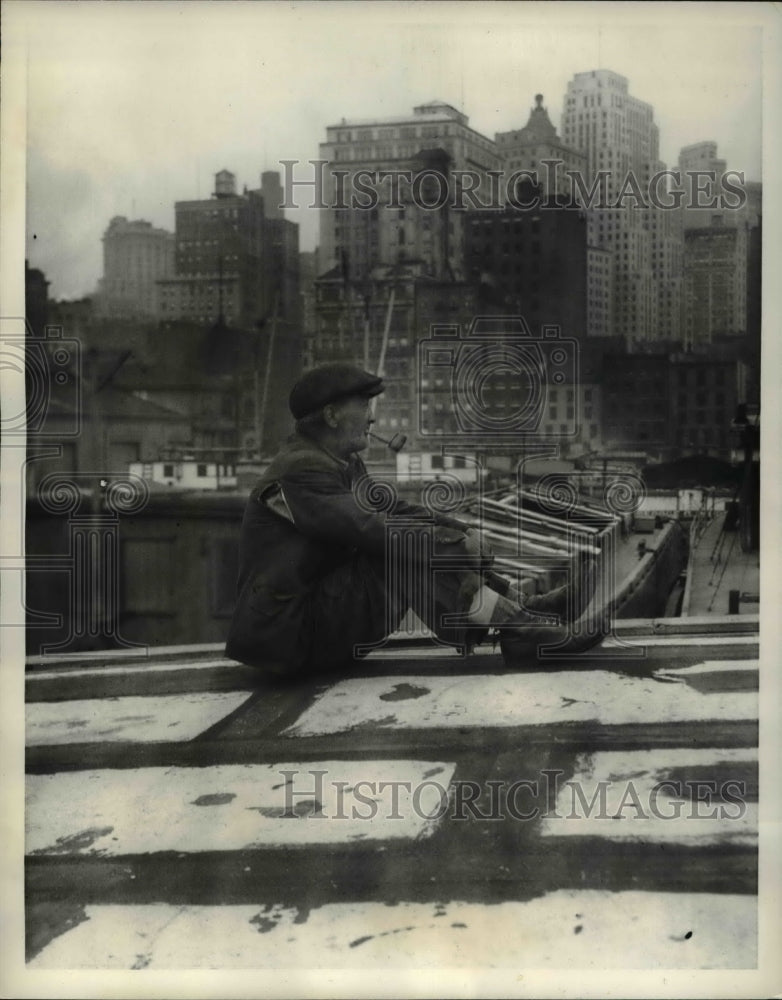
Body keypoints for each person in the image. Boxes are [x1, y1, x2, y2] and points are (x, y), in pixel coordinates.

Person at [225, 363, 599, 679]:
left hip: (310, 619)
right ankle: (523, 628)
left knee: (414, 540)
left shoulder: (341, 461)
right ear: (331, 414)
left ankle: (524, 613)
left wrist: (459, 529)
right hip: (287, 635)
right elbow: (370, 528)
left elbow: (392, 510)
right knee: (397, 550)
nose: (373, 416)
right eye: (364, 404)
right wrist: (453, 544)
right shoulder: (300, 468)